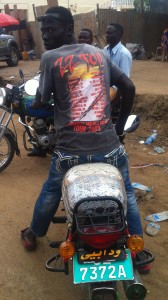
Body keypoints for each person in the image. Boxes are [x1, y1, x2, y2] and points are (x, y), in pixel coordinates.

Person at [21, 6, 149, 273]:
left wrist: (34, 103)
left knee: (51, 191)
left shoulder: (50, 58)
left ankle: (33, 234)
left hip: (69, 152)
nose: (45, 35)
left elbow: (41, 101)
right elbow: (128, 87)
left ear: (68, 29)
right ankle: (138, 251)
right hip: (110, 148)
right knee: (127, 193)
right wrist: (120, 128)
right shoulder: (99, 54)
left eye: (50, 29)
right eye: (43, 30)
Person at [104, 23, 132, 127]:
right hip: (104, 86)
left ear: (119, 35)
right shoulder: (105, 50)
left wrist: (115, 102)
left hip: (114, 90)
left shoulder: (123, 54)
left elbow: (125, 83)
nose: (107, 35)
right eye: (106, 33)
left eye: (110, 33)